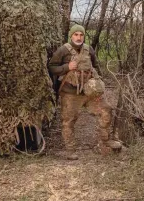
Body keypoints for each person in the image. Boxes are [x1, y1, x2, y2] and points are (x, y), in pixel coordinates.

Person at [49, 24, 121, 160]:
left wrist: (96, 83)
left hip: (89, 93)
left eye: (81, 35)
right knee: (68, 121)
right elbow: (52, 67)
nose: (79, 37)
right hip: (70, 93)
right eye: (76, 34)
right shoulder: (63, 50)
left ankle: (104, 142)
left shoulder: (89, 50)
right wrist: (67, 67)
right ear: (71, 36)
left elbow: (95, 66)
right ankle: (70, 150)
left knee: (106, 110)